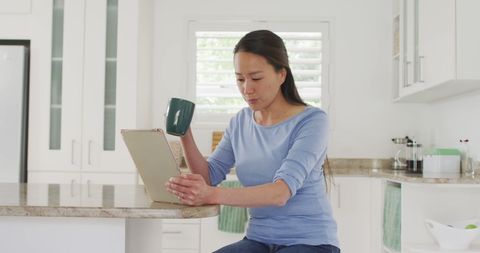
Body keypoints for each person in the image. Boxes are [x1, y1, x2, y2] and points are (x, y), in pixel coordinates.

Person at [165, 30, 340, 253]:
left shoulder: (312, 121)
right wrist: (184, 133)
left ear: (281, 75)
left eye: (256, 78)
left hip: (310, 242)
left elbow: (280, 193)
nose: (247, 89)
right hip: (258, 240)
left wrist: (211, 194)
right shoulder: (240, 122)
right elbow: (209, 176)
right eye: (240, 79)